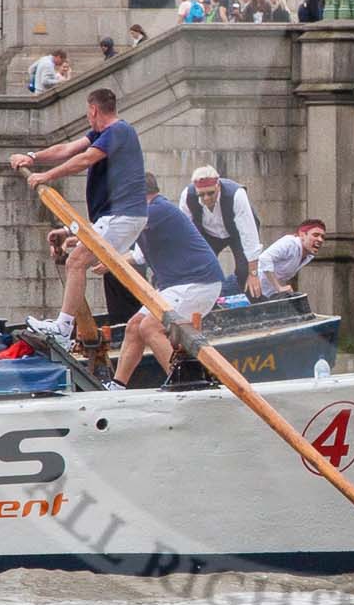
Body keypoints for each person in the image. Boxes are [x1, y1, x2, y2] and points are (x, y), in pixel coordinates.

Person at [13, 87, 146, 342]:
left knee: (76, 262)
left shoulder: (118, 131)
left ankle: (63, 328)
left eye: (88, 112)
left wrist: (46, 176)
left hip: (122, 214)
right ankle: (69, 327)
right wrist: (32, 158)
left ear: (93, 110)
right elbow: (67, 149)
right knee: (78, 259)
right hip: (116, 216)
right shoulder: (101, 133)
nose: (88, 117)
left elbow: (85, 160)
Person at [109, 173, 230, 388]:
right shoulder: (148, 215)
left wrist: (73, 235)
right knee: (134, 326)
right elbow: (136, 256)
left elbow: (113, 232)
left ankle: (181, 380)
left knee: (150, 327)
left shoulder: (157, 210)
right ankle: (117, 386)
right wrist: (101, 261)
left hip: (198, 283)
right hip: (178, 285)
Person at [184, 165, 264, 298]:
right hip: (208, 233)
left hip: (236, 232)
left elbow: (249, 235)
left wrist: (253, 273)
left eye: (210, 193)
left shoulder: (236, 195)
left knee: (244, 271)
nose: (206, 198)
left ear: (218, 186)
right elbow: (185, 232)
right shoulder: (187, 196)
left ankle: (245, 300)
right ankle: (206, 302)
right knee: (199, 269)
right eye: (201, 194)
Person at [256, 219, 326, 297]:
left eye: (322, 237)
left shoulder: (308, 256)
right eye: (315, 235)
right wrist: (279, 287)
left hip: (265, 294)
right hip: (249, 289)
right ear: (302, 235)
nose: (320, 240)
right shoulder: (290, 243)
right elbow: (264, 258)